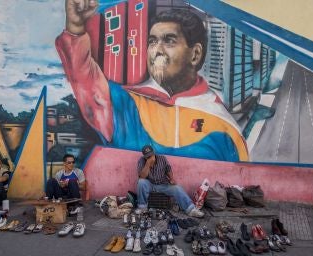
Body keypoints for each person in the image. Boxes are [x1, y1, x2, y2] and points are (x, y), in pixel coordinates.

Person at [55, 0, 248, 162]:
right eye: (152, 41)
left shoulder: (224, 127)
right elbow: (85, 80)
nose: (157, 50)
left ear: (195, 54)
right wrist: (76, 28)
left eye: (169, 41)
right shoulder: (126, 104)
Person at [137, 145, 204, 218]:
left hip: (162, 184)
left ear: (154, 153)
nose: (150, 157)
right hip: (149, 184)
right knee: (141, 182)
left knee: (177, 188)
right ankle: (142, 208)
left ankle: (191, 210)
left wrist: (172, 179)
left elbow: (168, 170)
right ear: (144, 156)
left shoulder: (162, 158)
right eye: (147, 156)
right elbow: (142, 177)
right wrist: (148, 164)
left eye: (151, 155)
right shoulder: (142, 160)